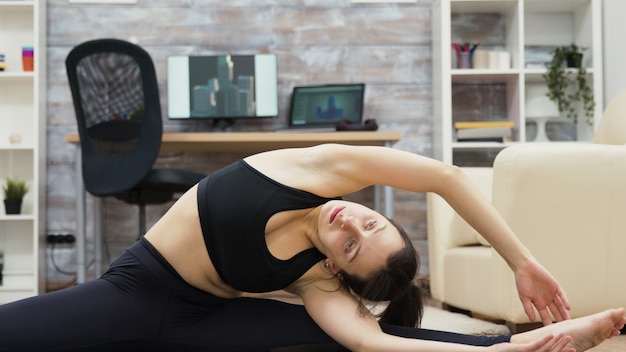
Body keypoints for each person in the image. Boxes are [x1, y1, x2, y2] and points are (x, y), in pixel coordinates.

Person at [0, 144, 623, 352]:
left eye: (352, 246)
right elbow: (448, 176)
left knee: (337, 342)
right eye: (372, 223)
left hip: (206, 318)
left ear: (333, 267)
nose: (351, 223)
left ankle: (521, 344)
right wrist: (524, 262)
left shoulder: (315, 277)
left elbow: (370, 340)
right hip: (136, 294)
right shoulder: (316, 171)